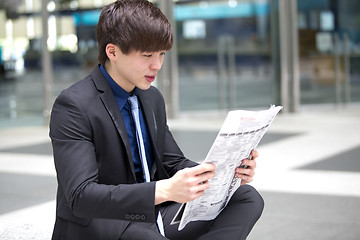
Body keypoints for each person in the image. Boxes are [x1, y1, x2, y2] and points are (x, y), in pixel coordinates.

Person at [49, 0, 264, 239]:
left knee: (247, 198)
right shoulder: (73, 105)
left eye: (161, 54)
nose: (157, 65)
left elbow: (173, 163)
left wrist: (223, 174)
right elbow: (81, 196)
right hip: (105, 222)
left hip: (153, 215)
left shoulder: (151, 98)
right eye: (147, 55)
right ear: (113, 52)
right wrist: (162, 190)